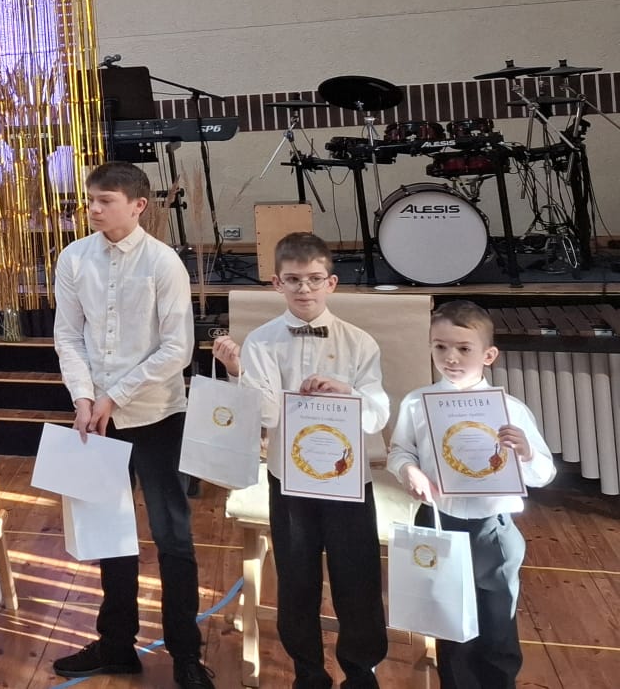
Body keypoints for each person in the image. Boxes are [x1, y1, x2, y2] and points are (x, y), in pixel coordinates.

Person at [51, 161, 211, 688]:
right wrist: (82, 397)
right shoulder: (74, 257)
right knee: (109, 532)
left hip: (157, 414)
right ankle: (116, 645)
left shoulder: (163, 262)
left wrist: (113, 396)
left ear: (138, 205)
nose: (93, 209)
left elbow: (177, 349)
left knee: (173, 536)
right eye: (91, 200)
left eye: (106, 201)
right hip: (96, 417)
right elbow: (68, 336)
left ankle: (186, 654)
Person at [213, 232, 388, 689]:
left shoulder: (360, 342)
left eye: (313, 279)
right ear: (277, 283)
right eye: (293, 280)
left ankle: (361, 672)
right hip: (288, 478)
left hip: (349, 481)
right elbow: (267, 415)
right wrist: (240, 373)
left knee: (358, 577)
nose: (304, 289)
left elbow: (377, 415)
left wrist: (347, 392)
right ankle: (308, 673)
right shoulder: (261, 342)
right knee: (296, 579)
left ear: (331, 283)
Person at [388, 301, 556, 689]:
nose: (451, 358)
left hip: (492, 529)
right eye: (440, 347)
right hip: (439, 523)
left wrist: (527, 453)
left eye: (464, 348)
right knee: (451, 631)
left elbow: (544, 474)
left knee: (498, 630)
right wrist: (408, 470)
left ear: (488, 355)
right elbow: (400, 451)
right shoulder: (416, 402)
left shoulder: (510, 409)